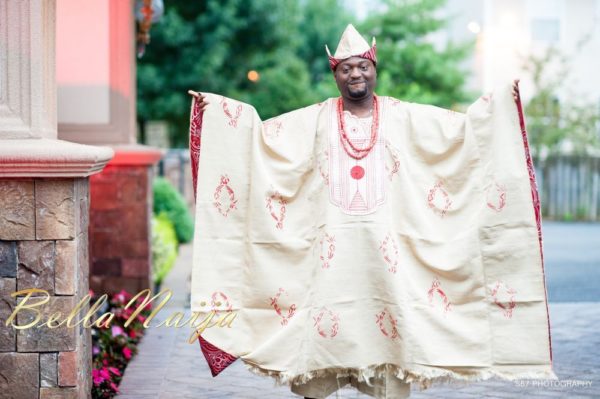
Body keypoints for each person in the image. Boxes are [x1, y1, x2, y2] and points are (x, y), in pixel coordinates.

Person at [186, 24, 555, 399]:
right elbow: (262, 140)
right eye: (346, 68)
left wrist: (497, 107)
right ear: (335, 75)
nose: (355, 74)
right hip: (327, 270)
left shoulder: (404, 116)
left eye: (362, 66)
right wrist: (219, 111)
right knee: (318, 367)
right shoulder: (313, 119)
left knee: (389, 369)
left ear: (374, 69)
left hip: (388, 269)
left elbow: (458, 134)